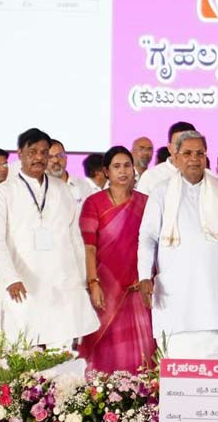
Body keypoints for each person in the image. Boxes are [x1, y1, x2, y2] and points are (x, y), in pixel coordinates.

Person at [137, 131, 218, 359]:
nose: (194, 158)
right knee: (177, 362)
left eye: (200, 153)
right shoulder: (161, 191)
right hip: (176, 292)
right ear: (176, 157)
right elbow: (148, 237)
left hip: (216, 291)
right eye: (188, 153)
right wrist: (143, 276)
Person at [0, 128, 99, 347]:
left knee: (63, 347)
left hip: (61, 282)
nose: (39, 157)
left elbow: (74, 238)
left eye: (44, 152)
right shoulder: (3, 193)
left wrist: (82, 280)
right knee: (22, 347)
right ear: (19, 153)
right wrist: (10, 278)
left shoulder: (63, 190)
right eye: (33, 151)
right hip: (23, 282)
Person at [78, 146, 156, 373]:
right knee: (104, 343)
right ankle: (103, 398)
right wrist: (93, 284)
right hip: (106, 287)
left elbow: (155, 246)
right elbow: (89, 247)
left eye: (127, 166)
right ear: (106, 171)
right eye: (116, 166)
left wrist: (150, 278)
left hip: (138, 287)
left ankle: (140, 402)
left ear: (134, 170)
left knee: (141, 351)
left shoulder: (146, 203)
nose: (123, 171)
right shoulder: (94, 203)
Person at [136, 122, 196, 195]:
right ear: (169, 147)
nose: (182, 149)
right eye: (178, 144)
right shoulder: (150, 177)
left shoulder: (208, 177)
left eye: (188, 144)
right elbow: (141, 205)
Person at [46, 139, 94, 205]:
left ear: (66, 157)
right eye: (50, 157)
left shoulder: (83, 185)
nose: (56, 160)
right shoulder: (39, 187)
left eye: (59, 155)